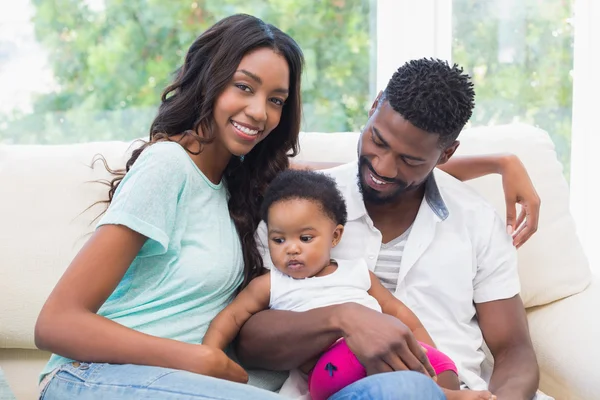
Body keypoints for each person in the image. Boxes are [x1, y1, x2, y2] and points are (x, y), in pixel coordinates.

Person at [33, 13, 539, 400]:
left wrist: (501, 162)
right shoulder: (170, 167)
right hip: (99, 379)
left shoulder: (250, 183)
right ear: (209, 81)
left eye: (276, 99)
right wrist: (202, 360)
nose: (258, 111)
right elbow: (54, 323)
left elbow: (396, 176)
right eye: (244, 87)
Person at [238, 58, 542, 400]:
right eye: (378, 141)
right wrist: (343, 319)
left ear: (446, 155)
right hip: (339, 388)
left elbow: (515, 351)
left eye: (410, 160)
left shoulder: (477, 219)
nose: (382, 167)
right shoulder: (298, 208)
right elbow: (250, 342)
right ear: (373, 107)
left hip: (458, 389)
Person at [204, 169, 497, 400]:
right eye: (279, 240)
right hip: (331, 372)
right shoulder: (272, 283)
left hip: (382, 356)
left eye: (305, 238)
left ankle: (443, 391)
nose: (291, 249)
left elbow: (401, 315)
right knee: (364, 351)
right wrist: (211, 353)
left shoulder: (357, 273)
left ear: (335, 237)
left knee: (443, 364)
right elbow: (231, 317)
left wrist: (422, 352)